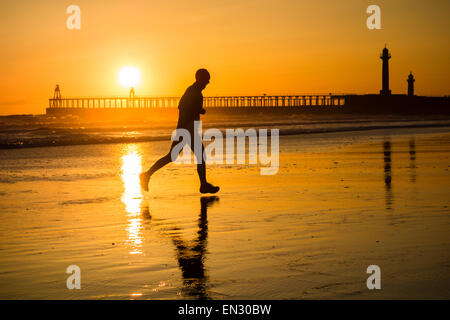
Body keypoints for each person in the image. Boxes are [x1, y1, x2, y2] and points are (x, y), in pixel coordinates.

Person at [139, 69, 220, 194]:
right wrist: (198, 111)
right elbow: (181, 106)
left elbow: (184, 107)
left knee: (173, 156)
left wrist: (197, 111)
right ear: (200, 79)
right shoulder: (193, 91)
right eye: (206, 79)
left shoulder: (195, 91)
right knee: (198, 156)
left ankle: (147, 175)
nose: (208, 82)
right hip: (186, 129)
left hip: (187, 129)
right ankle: (203, 185)